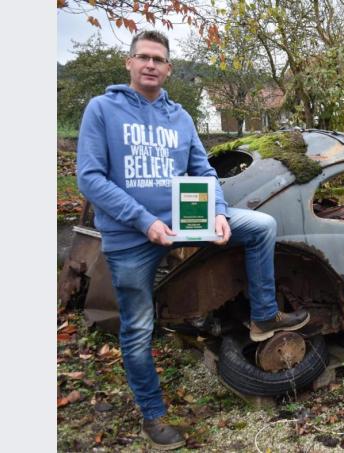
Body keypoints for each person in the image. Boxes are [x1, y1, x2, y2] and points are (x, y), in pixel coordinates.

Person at [76, 30, 310, 450]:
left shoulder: (180, 117)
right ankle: (153, 416)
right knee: (138, 328)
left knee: (260, 227)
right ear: (129, 63)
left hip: (185, 222)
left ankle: (263, 316)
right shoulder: (102, 110)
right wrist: (144, 221)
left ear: (168, 68)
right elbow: (89, 178)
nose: (150, 64)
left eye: (159, 59)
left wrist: (218, 213)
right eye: (143, 57)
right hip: (132, 235)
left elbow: (203, 172)